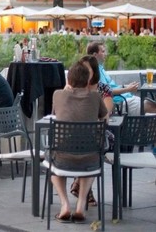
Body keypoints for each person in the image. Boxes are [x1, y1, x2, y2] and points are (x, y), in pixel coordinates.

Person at [50, 61, 107, 224]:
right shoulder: (96, 97)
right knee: (90, 158)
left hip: (62, 159)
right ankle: (81, 205)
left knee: (52, 164)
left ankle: (65, 204)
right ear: (88, 79)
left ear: (69, 79)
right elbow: (104, 118)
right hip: (90, 158)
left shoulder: (58, 95)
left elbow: (55, 112)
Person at [69, 55, 114, 208]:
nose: (82, 73)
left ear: (94, 72)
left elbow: (106, 114)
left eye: (86, 70)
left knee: (96, 146)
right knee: (92, 149)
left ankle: (78, 183)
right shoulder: (72, 88)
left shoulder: (103, 89)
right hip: (75, 136)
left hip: (99, 134)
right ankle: (85, 192)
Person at [87, 41, 156, 114]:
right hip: (119, 102)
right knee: (152, 107)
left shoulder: (100, 68)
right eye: (103, 51)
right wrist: (127, 89)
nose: (106, 54)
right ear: (95, 55)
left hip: (125, 98)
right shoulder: (95, 72)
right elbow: (106, 91)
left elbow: (110, 87)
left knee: (152, 104)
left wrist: (125, 86)